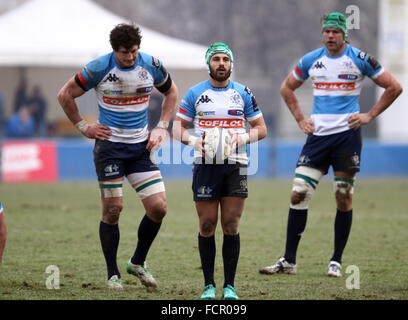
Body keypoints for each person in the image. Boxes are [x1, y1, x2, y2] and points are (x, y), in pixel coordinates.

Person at [259, 12, 402, 278]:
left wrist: (369, 115)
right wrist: (301, 119)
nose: (330, 36)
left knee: (343, 196)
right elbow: (286, 88)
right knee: (298, 192)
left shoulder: (360, 60)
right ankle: (289, 261)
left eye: (335, 32)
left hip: (347, 136)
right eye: (327, 32)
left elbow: (394, 87)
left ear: (344, 34)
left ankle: (336, 260)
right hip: (317, 138)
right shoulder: (312, 60)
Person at [57, 23, 178, 290]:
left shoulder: (151, 65)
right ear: (115, 50)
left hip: (140, 148)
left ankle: (137, 262)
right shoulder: (98, 68)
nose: (131, 57)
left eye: (134, 51)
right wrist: (82, 127)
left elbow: (171, 92)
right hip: (110, 148)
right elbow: (65, 94)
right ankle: (113, 274)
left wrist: (161, 127)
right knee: (113, 210)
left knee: (158, 207)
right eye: (125, 53)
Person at [173, 42, 267, 299]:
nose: (221, 63)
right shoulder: (194, 93)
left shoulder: (243, 92)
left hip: (236, 164)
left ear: (231, 64)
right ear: (209, 64)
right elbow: (177, 128)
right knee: (206, 225)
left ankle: (230, 286)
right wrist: (194, 141)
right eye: (216, 59)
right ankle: (208, 286)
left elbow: (261, 127)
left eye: (225, 59)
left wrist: (243, 138)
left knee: (231, 225)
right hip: (205, 165)